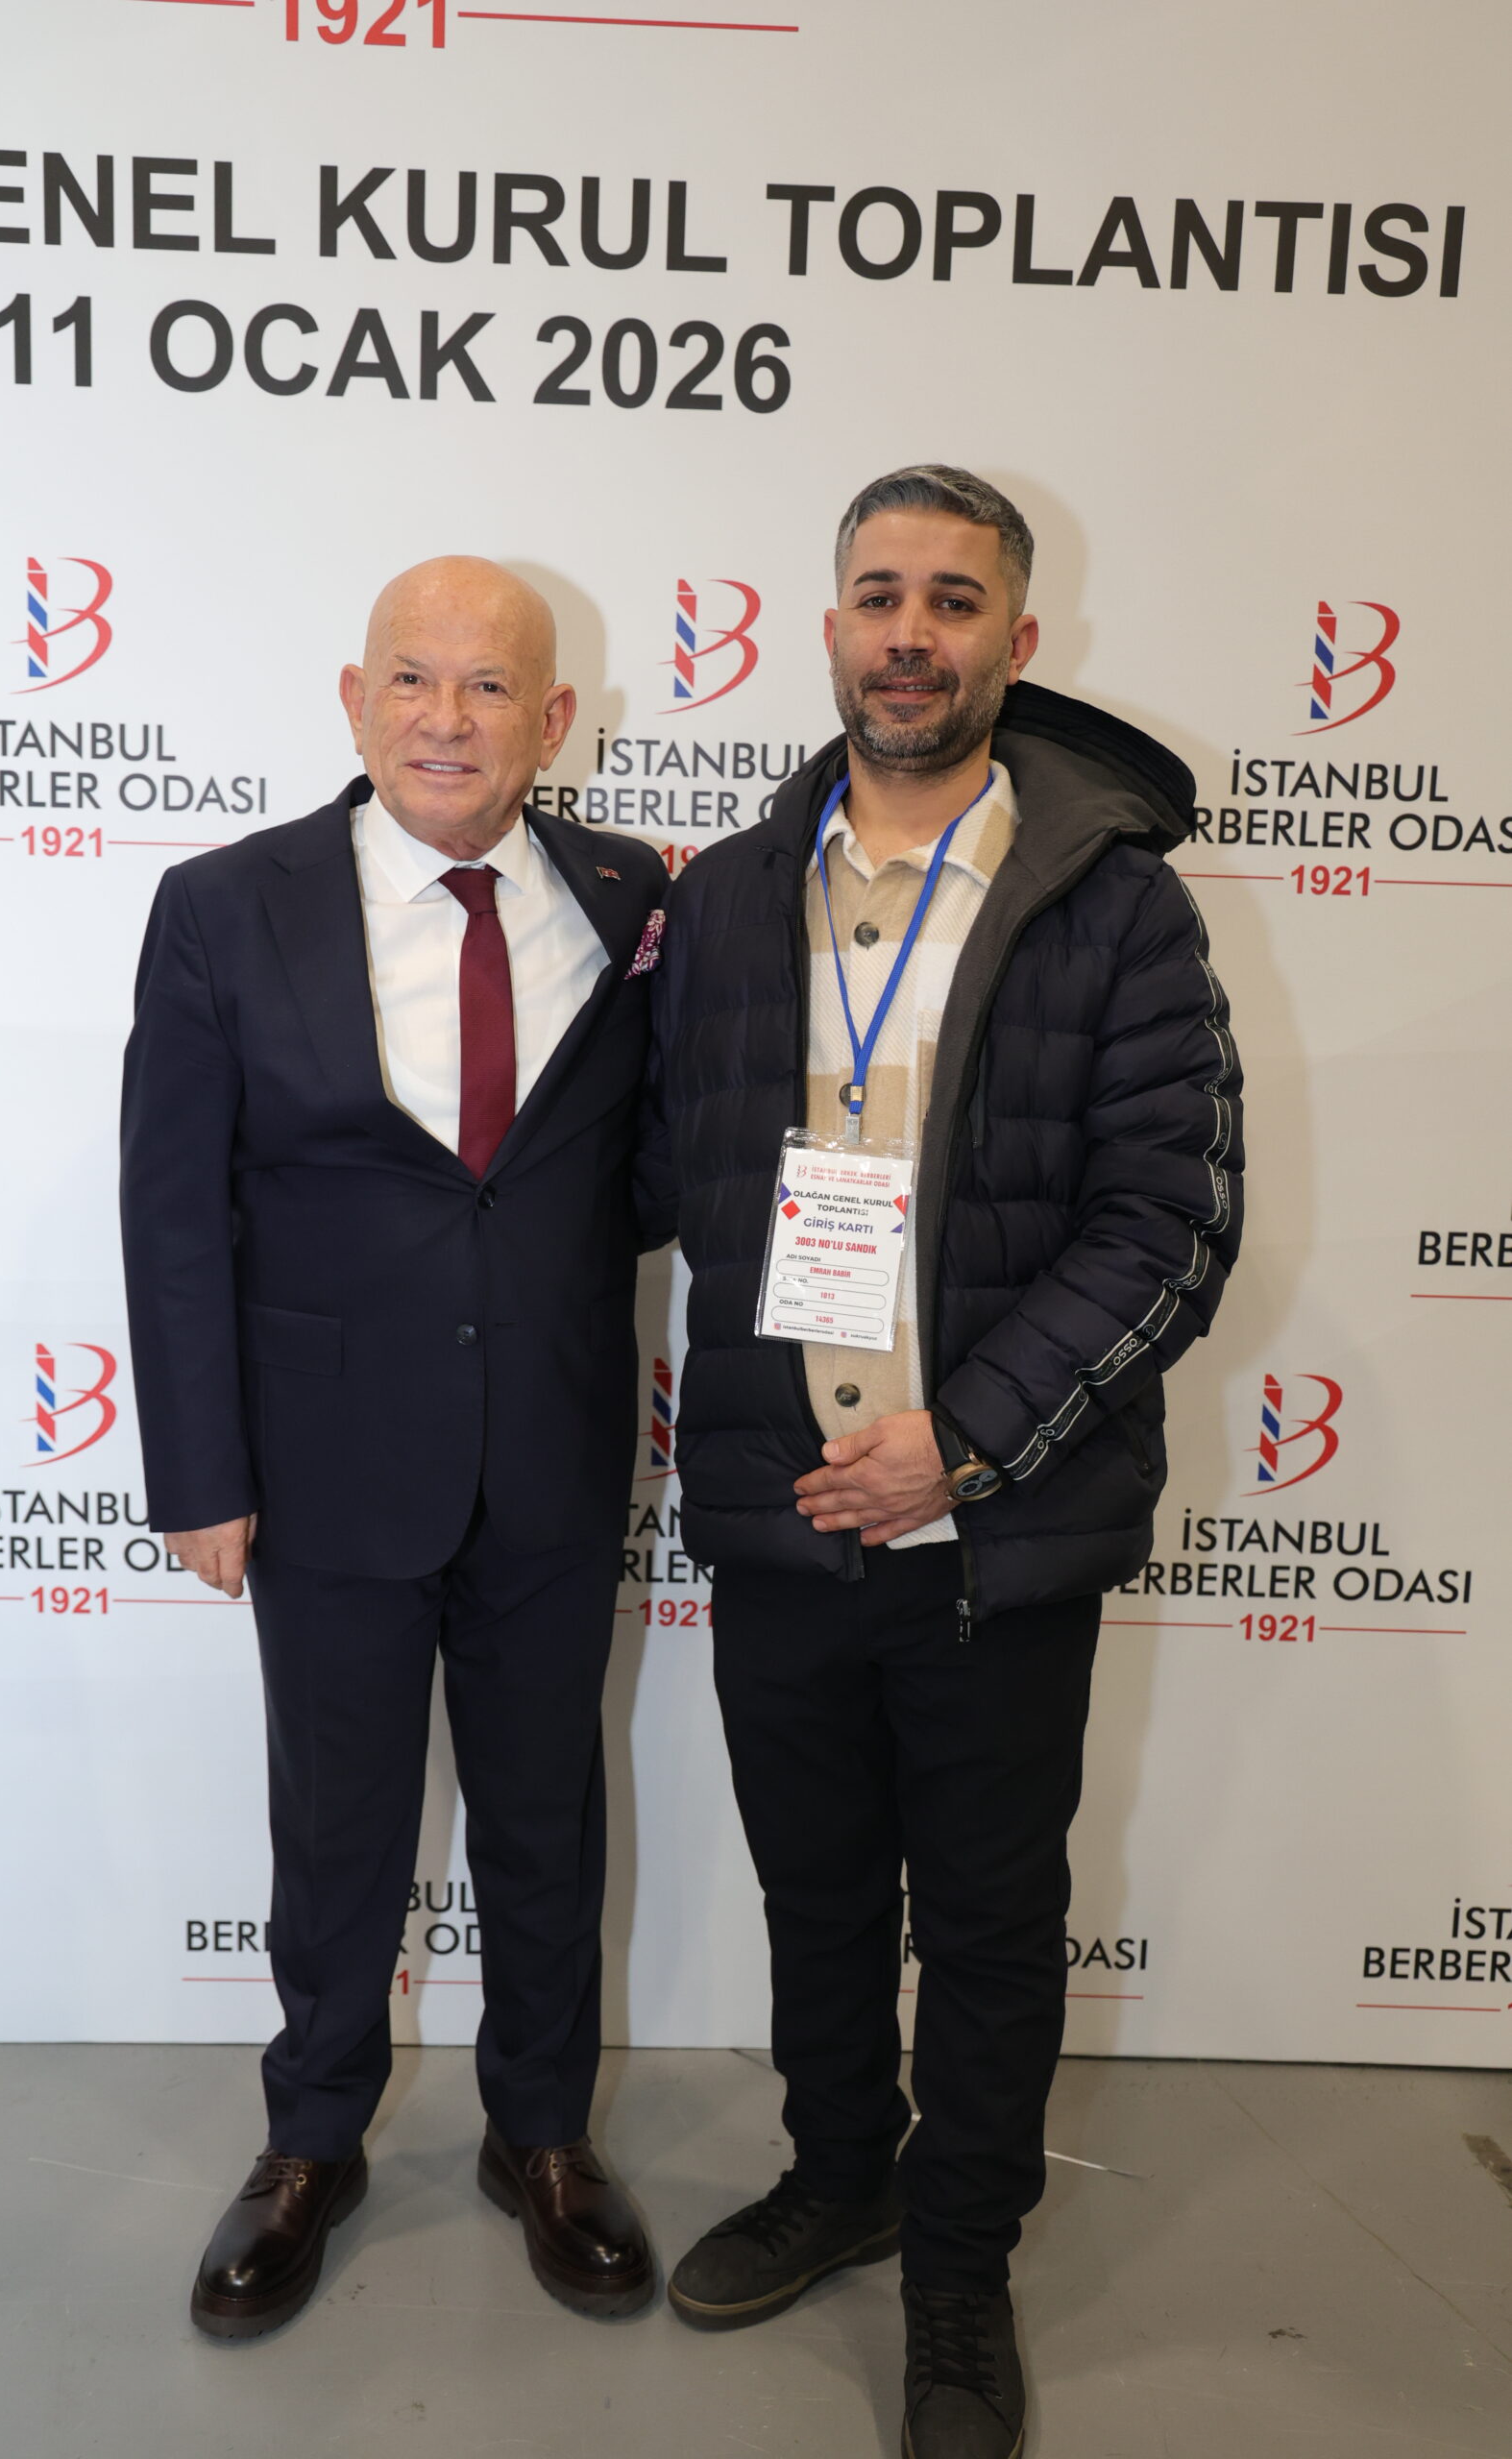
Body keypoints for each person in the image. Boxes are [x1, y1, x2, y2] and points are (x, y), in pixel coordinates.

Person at [640, 467, 1242, 2457]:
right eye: (880, 594)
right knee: (817, 1897)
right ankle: (841, 2173)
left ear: (1016, 641)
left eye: (954, 601)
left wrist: (963, 1443)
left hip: (994, 1529)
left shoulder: (1113, 902)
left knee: (984, 1923)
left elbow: (1168, 1221)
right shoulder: (730, 898)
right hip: (778, 1511)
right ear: (828, 628)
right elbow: (652, 1175)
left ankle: (960, 2267)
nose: (911, 633)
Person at [120, 558, 665, 2338]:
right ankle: (309, 2143)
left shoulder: (632, 898)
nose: (448, 718)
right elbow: (172, 1209)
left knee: (547, 1814)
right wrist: (199, 1470)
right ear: (354, 702)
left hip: (554, 1452)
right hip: (325, 1459)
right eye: (412, 680)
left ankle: (543, 2135)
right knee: (339, 1821)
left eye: (490, 686)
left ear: (553, 721)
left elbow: (664, 1158)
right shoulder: (225, 905)